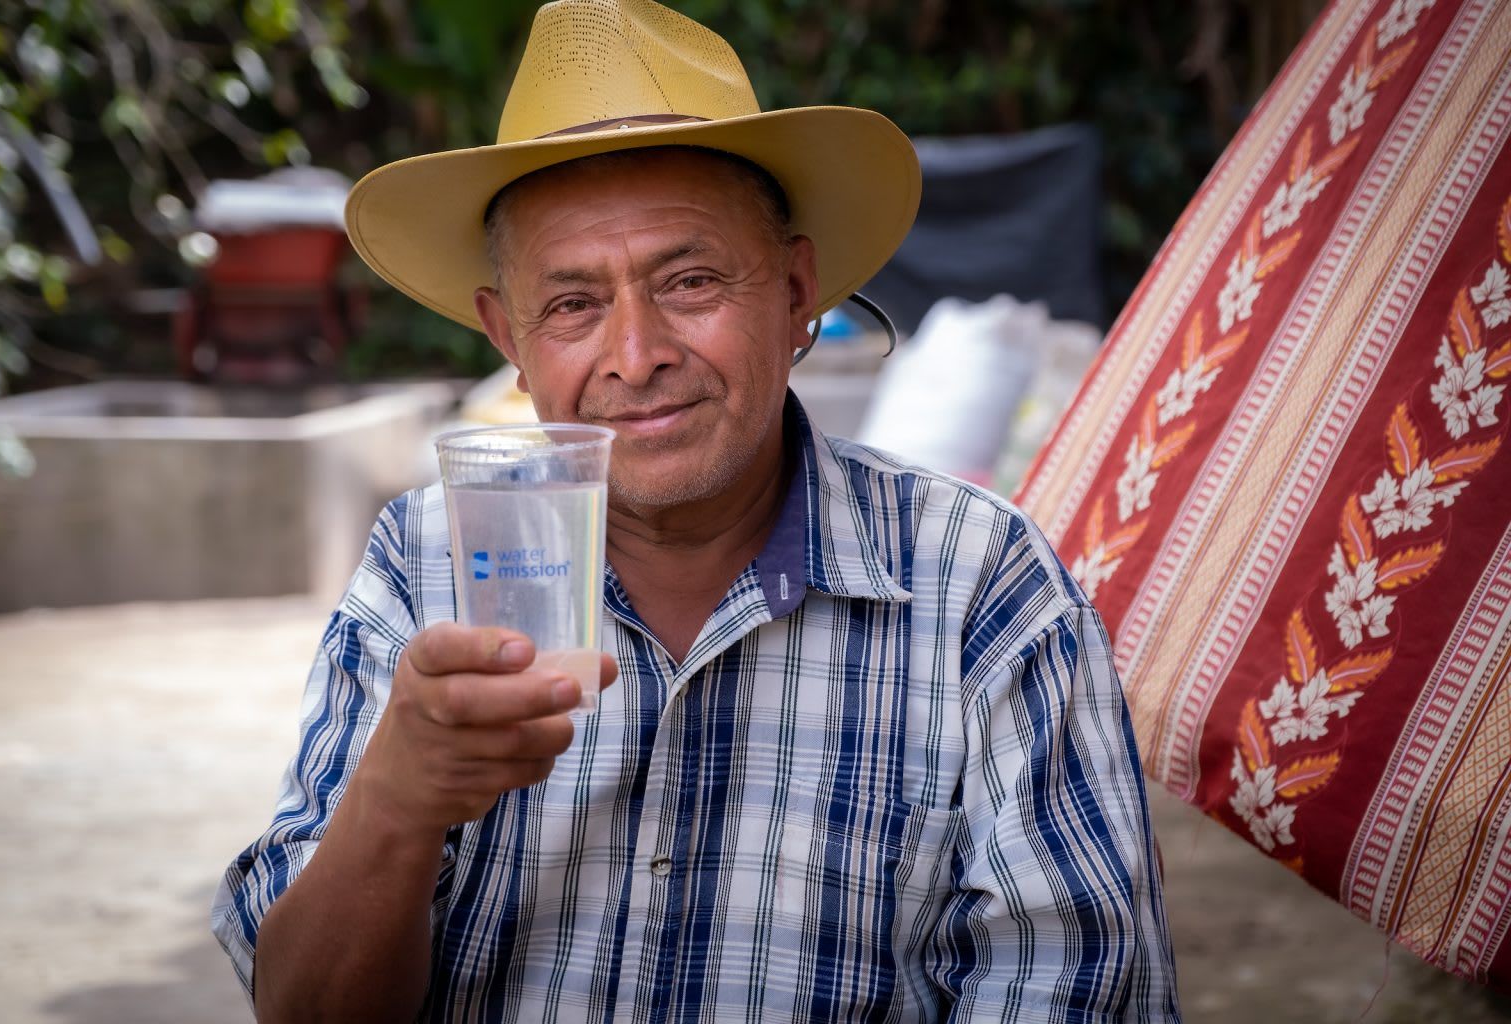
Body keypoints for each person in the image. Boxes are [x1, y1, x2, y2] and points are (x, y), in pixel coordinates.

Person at [213, 0, 1181, 1019]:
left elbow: (1075, 987)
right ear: (508, 334)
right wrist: (396, 804)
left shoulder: (981, 583)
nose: (637, 355)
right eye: (575, 304)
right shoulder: (427, 561)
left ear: (797, 290)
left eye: (692, 279)